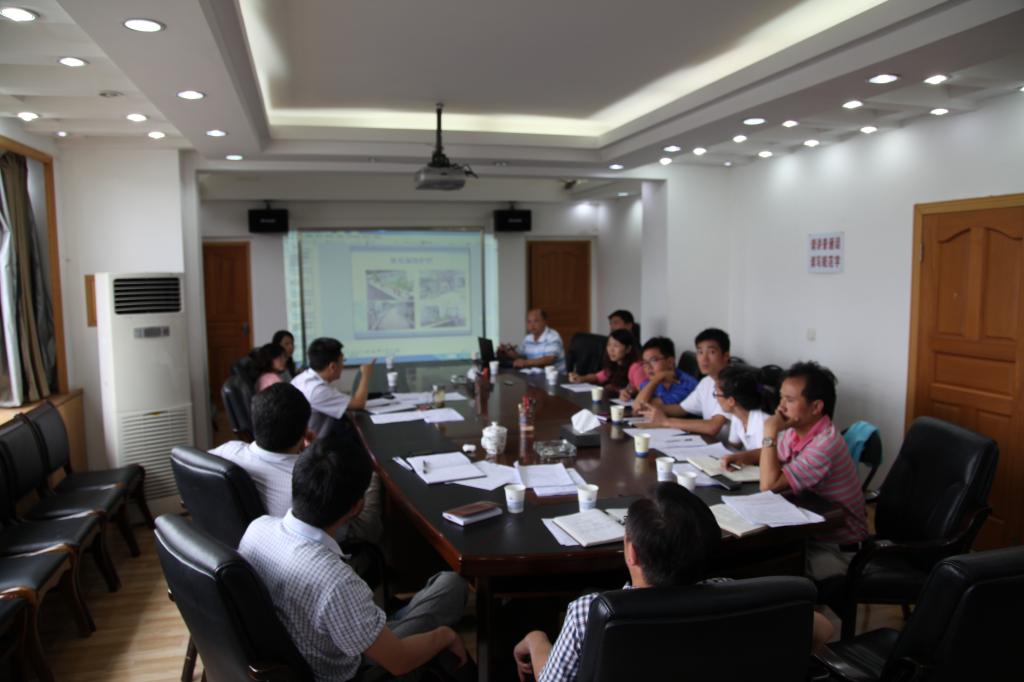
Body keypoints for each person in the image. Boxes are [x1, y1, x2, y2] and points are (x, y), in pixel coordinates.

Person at [512, 483, 833, 681]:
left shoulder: (588, 613)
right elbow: (823, 629)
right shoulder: (736, 597)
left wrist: (536, 640)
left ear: (631, 552)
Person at [239, 438, 473, 682]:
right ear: (356, 507)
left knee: (449, 585)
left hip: (307, 647)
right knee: (452, 588)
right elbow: (400, 661)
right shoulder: (335, 581)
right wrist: (445, 636)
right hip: (358, 669)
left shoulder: (257, 529)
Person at [721, 361, 868, 580]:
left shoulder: (825, 444)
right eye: (781, 398)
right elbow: (774, 452)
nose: (780, 407)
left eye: (789, 400)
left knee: (758, 573)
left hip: (835, 549)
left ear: (816, 407)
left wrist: (769, 430)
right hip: (807, 533)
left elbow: (769, 485)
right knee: (745, 560)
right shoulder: (797, 429)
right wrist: (743, 456)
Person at [211, 383, 382, 544]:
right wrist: (372, 477)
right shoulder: (308, 483)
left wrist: (311, 453)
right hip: (325, 544)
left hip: (229, 544)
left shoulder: (225, 451)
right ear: (305, 431)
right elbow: (339, 529)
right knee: (373, 480)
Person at [636, 328, 731, 438]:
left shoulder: (732, 383)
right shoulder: (706, 382)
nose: (704, 359)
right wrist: (653, 409)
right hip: (711, 443)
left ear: (726, 356)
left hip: (726, 447)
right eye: (700, 352)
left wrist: (666, 422)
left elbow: (713, 427)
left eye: (711, 352)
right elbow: (681, 409)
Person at [292, 337, 375, 436]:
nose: (343, 366)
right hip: (315, 443)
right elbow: (359, 404)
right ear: (333, 367)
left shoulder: (301, 378)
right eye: (342, 361)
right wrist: (366, 374)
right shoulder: (318, 391)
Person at [714, 364, 783, 451]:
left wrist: (737, 457)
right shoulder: (737, 415)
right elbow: (734, 446)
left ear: (731, 401)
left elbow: (764, 453)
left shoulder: (763, 421)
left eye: (717, 394)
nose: (716, 398)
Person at [629, 336, 698, 408]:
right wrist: (629, 393)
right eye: (645, 362)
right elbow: (638, 401)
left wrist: (656, 380)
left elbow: (639, 406)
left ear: (670, 362)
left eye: (653, 360)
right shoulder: (655, 378)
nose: (648, 367)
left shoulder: (686, 385)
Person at [567, 329, 640, 395]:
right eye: (609, 345)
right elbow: (597, 377)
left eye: (616, 346)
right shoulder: (614, 364)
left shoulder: (635, 367)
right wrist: (581, 378)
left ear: (628, 349)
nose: (611, 349)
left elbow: (642, 391)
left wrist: (622, 391)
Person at [499, 309, 566, 371]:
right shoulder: (527, 338)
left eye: (536, 321)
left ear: (545, 321)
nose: (532, 325)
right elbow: (519, 356)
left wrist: (525, 362)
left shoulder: (553, 336)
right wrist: (507, 351)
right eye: (529, 322)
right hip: (534, 375)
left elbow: (549, 359)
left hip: (556, 377)